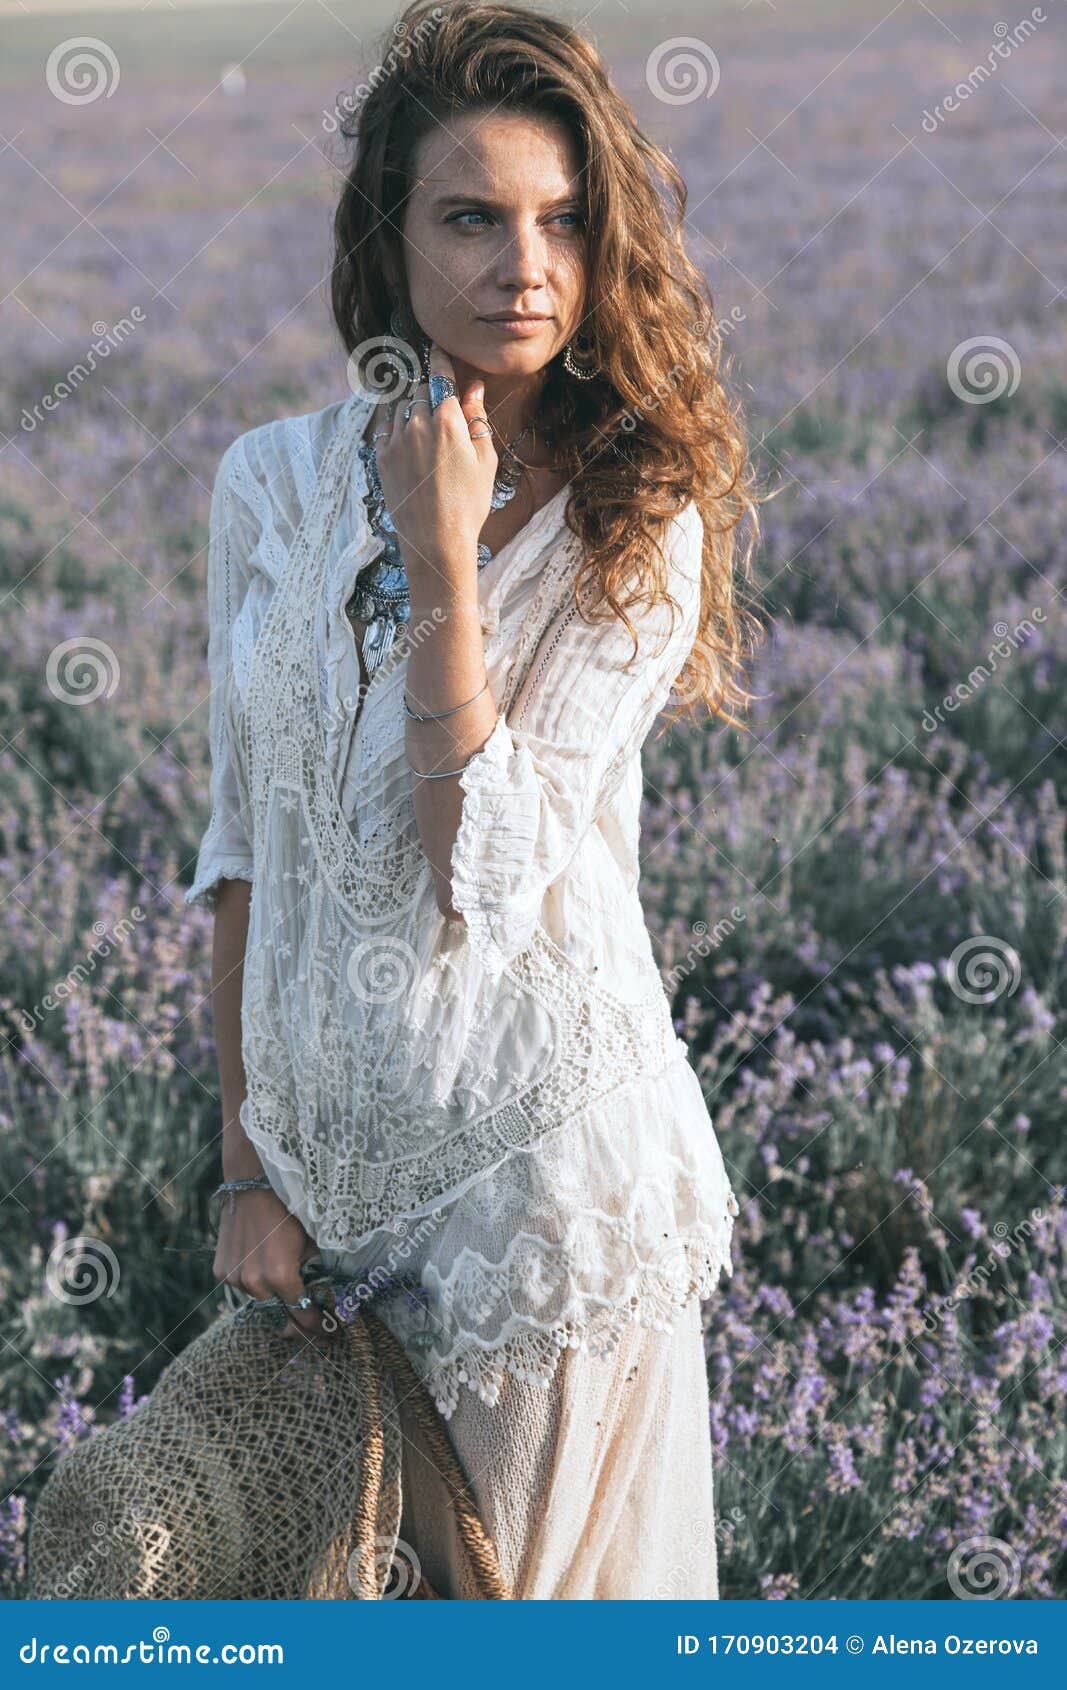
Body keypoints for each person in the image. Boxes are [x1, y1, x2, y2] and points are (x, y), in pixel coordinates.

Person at [186, 0, 762, 1599]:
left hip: (545, 1224)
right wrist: (246, 1169)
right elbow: (246, 849)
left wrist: (446, 561)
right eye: (473, 217)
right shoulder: (270, 484)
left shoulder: (641, 519)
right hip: (334, 1211)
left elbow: (484, 878)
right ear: (389, 236)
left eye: (567, 221)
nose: (529, 264)